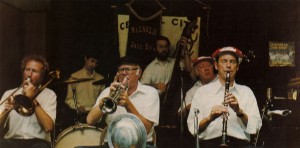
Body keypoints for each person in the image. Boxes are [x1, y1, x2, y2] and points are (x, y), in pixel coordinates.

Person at [187, 46, 262, 147]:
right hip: (210, 144)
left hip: (239, 145)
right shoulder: (202, 92)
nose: (228, 65)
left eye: (232, 62)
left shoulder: (246, 92)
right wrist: (209, 118)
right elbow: (193, 128)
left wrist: (239, 112)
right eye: (224, 61)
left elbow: (256, 127)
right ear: (216, 66)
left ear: (237, 67)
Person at [86, 56, 160, 148]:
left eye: (128, 70)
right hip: (112, 145)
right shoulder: (108, 91)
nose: (124, 73)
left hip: (140, 145)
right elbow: (90, 120)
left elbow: (147, 129)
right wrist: (109, 96)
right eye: (121, 70)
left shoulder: (150, 92)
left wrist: (128, 105)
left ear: (139, 73)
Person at [0, 55, 57, 148]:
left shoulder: (50, 95)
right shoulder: (9, 93)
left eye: (34, 71)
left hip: (37, 142)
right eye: (27, 70)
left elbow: (48, 127)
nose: (29, 74)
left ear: (42, 75)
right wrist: (6, 111)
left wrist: (32, 99)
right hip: (12, 141)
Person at [65, 50, 105, 123]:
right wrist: (77, 107)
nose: (93, 65)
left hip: (95, 114)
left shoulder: (101, 78)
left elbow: (103, 99)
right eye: (92, 61)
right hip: (80, 115)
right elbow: (69, 99)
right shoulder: (74, 77)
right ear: (86, 59)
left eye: (96, 63)